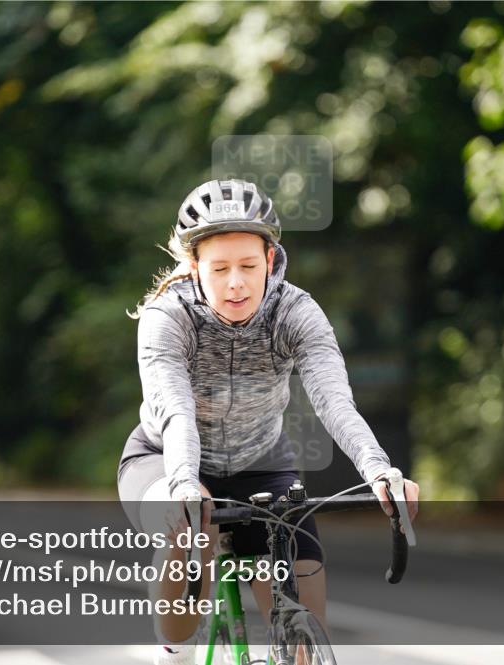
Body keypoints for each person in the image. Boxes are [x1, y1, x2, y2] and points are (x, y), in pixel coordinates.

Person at [119, 179, 420, 665]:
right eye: (219, 269)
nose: (235, 282)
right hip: (163, 462)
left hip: (261, 462)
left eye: (248, 266)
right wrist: (184, 483)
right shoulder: (167, 317)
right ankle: (174, 653)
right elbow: (174, 411)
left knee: (303, 630)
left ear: (271, 259)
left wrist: (379, 471)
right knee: (189, 531)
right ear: (194, 267)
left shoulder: (295, 312)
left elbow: (335, 403)